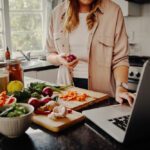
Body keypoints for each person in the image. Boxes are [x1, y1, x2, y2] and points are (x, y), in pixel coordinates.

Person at [46, 0, 135, 106]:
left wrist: (121, 88)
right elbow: (49, 53)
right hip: (66, 91)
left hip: (102, 94)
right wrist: (58, 59)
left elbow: (120, 59)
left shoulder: (113, 11)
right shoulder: (56, 13)